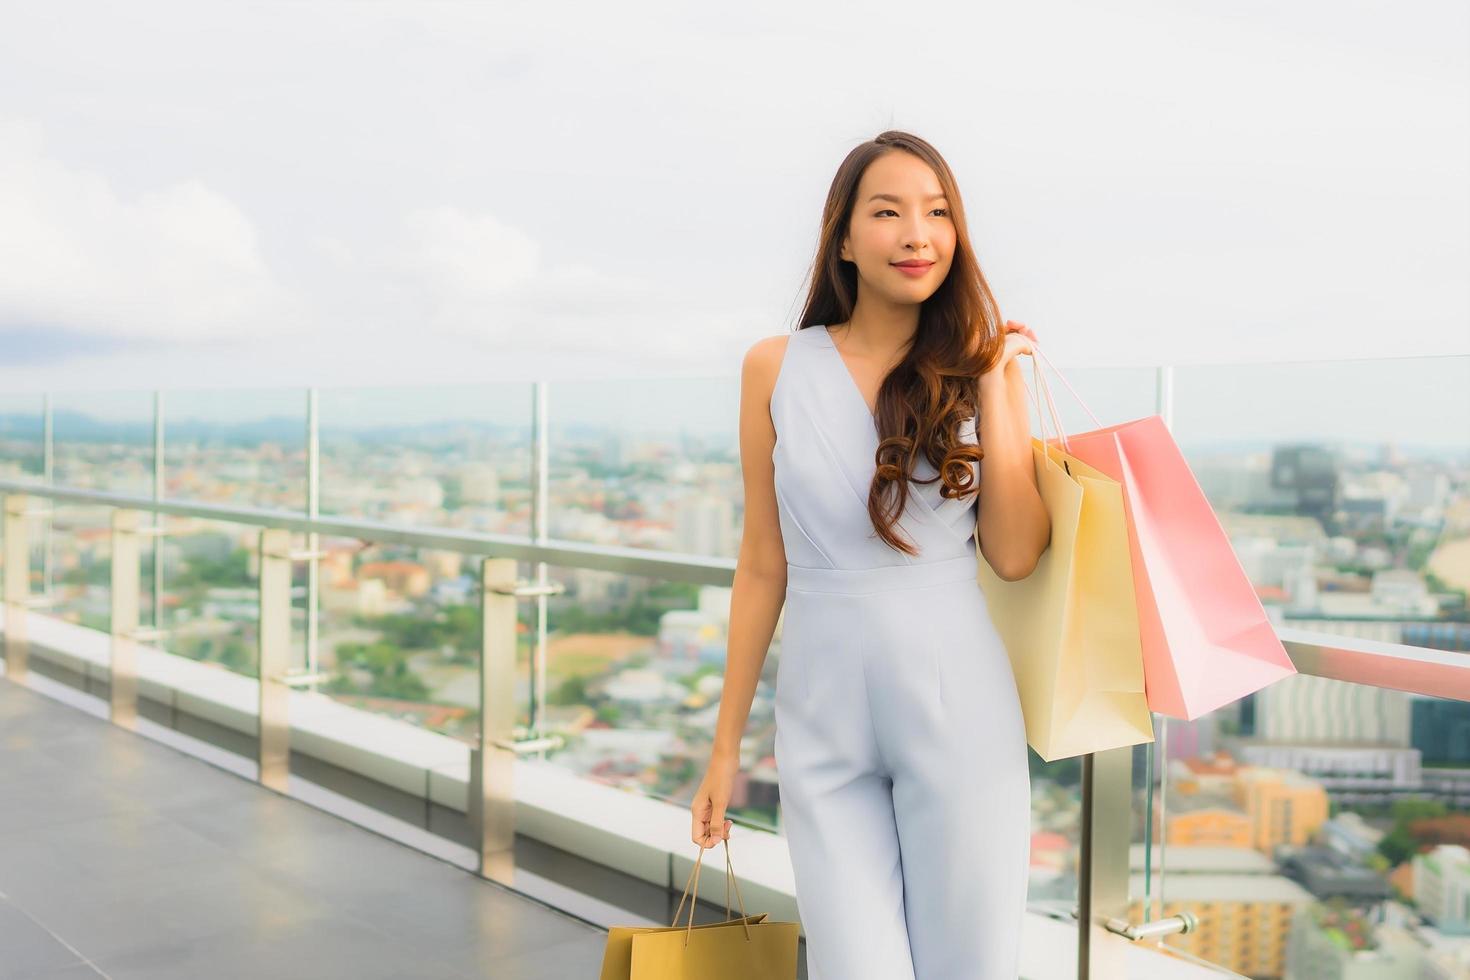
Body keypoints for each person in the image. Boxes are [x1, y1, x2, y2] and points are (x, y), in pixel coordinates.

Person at [690, 129, 1051, 979]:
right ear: (845, 239)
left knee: (971, 965)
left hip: (958, 704)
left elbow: (1014, 554)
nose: (916, 234)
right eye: (887, 212)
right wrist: (722, 751)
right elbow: (760, 564)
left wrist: (1001, 390)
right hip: (820, 714)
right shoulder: (774, 367)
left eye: (937, 213)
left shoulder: (978, 370)